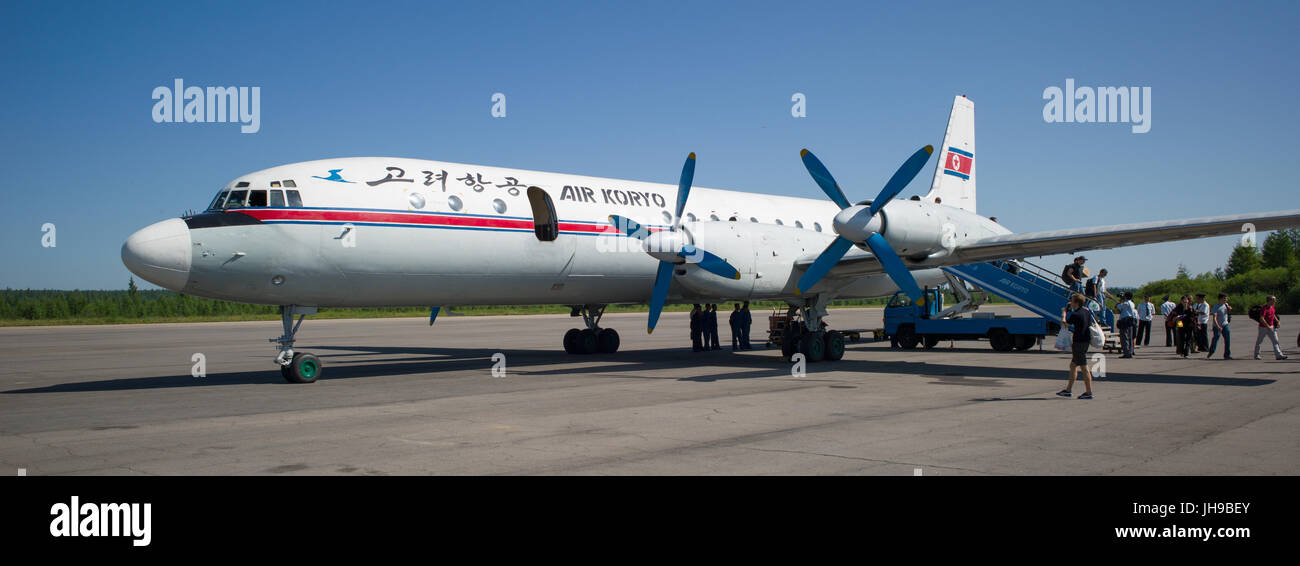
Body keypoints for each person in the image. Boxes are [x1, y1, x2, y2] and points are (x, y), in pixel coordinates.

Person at [1057, 294, 1095, 400]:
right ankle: (1068, 390)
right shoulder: (1086, 311)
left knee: (1084, 367)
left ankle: (1088, 392)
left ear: (1076, 303)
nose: (1071, 302)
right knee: (1073, 365)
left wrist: (1064, 313)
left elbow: (1064, 324)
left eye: (1072, 301)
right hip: (1086, 341)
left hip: (1078, 342)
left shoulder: (1075, 314)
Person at [1254, 295, 1287, 360]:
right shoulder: (1264, 308)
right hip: (1263, 328)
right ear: (1269, 301)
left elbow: (1273, 314)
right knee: (1259, 341)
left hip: (1271, 327)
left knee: (1275, 341)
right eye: (1274, 300)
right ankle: (1256, 354)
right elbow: (1261, 318)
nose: (1275, 301)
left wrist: (1277, 321)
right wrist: (1267, 326)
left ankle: (1279, 355)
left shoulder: (1272, 307)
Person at [1207, 293, 1232, 360]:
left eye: (1226, 298)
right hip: (1217, 326)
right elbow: (1214, 317)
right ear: (1220, 299)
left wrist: (1229, 309)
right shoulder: (1216, 306)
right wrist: (1218, 326)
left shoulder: (1226, 305)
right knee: (1216, 338)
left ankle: (1227, 355)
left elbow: (1227, 313)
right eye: (1224, 298)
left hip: (1225, 324)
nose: (1226, 300)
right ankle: (1211, 351)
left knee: (1227, 340)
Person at [1116, 291, 1137, 358]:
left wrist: (1120, 301)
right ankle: (1130, 351)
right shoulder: (1132, 303)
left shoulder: (1125, 303)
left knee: (1124, 337)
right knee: (1129, 337)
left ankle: (1126, 353)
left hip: (1125, 320)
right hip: (1130, 320)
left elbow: (1118, 306)